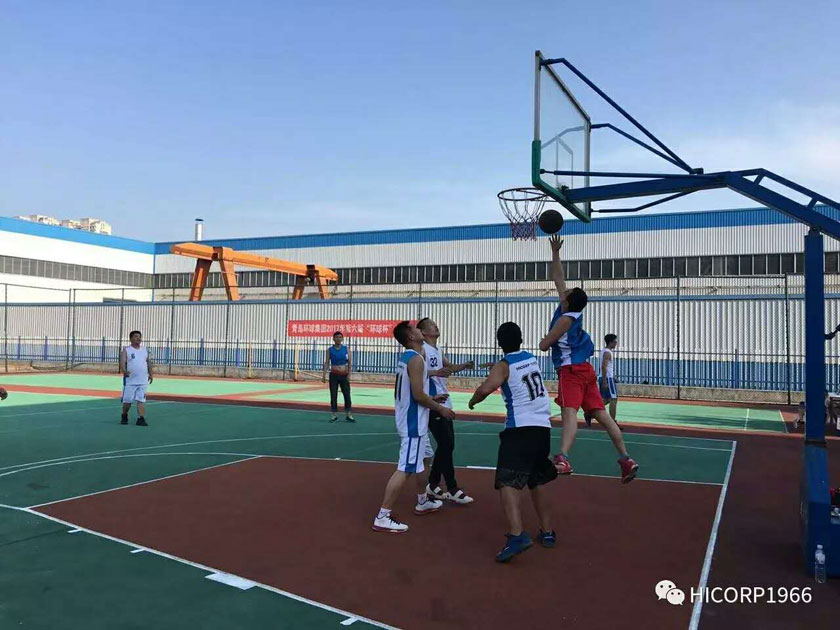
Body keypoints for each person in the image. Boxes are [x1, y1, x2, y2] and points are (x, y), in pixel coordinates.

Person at [539, 235, 638, 483]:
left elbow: (543, 346)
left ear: (568, 300)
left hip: (571, 371)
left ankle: (563, 457)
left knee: (569, 413)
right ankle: (626, 458)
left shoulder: (565, 319)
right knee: (603, 416)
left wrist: (546, 339)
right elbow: (558, 277)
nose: (564, 290)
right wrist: (555, 252)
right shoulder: (571, 310)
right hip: (585, 370)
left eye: (567, 292)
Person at [469, 321, 558, 562]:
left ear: (499, 343)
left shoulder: (504, 365)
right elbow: (514, 374)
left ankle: (517, 535)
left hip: (520, 429)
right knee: (536, 480)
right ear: (521, 339)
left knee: (507, 481)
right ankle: (547, 532)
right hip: (542, 427)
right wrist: (497, 368)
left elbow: (486, 388)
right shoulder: (530, 359)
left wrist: (473, 401)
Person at [372, 321, 454, 533]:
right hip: (412, 423)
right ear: (410, 336)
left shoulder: (408, 358)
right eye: (415, 328)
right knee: (406, 468)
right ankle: (383, 516)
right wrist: (440, 408)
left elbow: (413, 391)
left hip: (413, 419)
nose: (419, 330)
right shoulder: (416, 360)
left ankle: (422, 500)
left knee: (426, 457)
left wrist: (432, 398)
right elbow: (418, 395)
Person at [417, 317, 475, 505]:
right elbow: (416, 372)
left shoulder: (437, 349)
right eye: (432, 325)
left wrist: (464, 365)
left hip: (444, 399)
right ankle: (451, 487)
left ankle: (434, 484)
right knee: (446, 443)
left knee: (447, 445)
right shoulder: (422, 350)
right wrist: (435, 373)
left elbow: (448, 367)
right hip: (434, 401)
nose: (436, 326)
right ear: (424, 332)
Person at [119, 330, 154, 426]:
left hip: (143, 380)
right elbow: (122, 362)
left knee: (141, 399)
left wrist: (151, 374)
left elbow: (148, 362)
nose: (138, 338)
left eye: (139, 336)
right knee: (128, 401)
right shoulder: (127, 349)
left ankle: (141, 418)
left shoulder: (144, 350)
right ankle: (124, 415)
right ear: (131, 339)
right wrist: (124, 370)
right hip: (130, 380)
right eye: (135, 336)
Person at [321, 331, 354, 423]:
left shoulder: (346, 349)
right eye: (336, 337)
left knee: (347, 394)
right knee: (333, 394)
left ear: (342, 339)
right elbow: (327, 362)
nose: (338, 339)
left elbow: (349, 363)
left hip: (344, 375)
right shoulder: (329, 350)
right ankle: (334, 414)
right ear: (333, 339)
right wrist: (324, 375)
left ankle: (348, 414)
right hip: (334, 375)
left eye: (340, 337)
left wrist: (349, 374)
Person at [598, 334, 621, 429]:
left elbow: (606, 367)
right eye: (615, 342)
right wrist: (605, 381)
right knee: (613, 399)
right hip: (607, 379)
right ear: (610, 342)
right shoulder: (607, 352)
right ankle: (612, 422)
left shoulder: (604, 351)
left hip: (607, 377)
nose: (616, 343)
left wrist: (612, 377)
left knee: (607, 399)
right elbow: (604, 366)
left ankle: (590, 413)